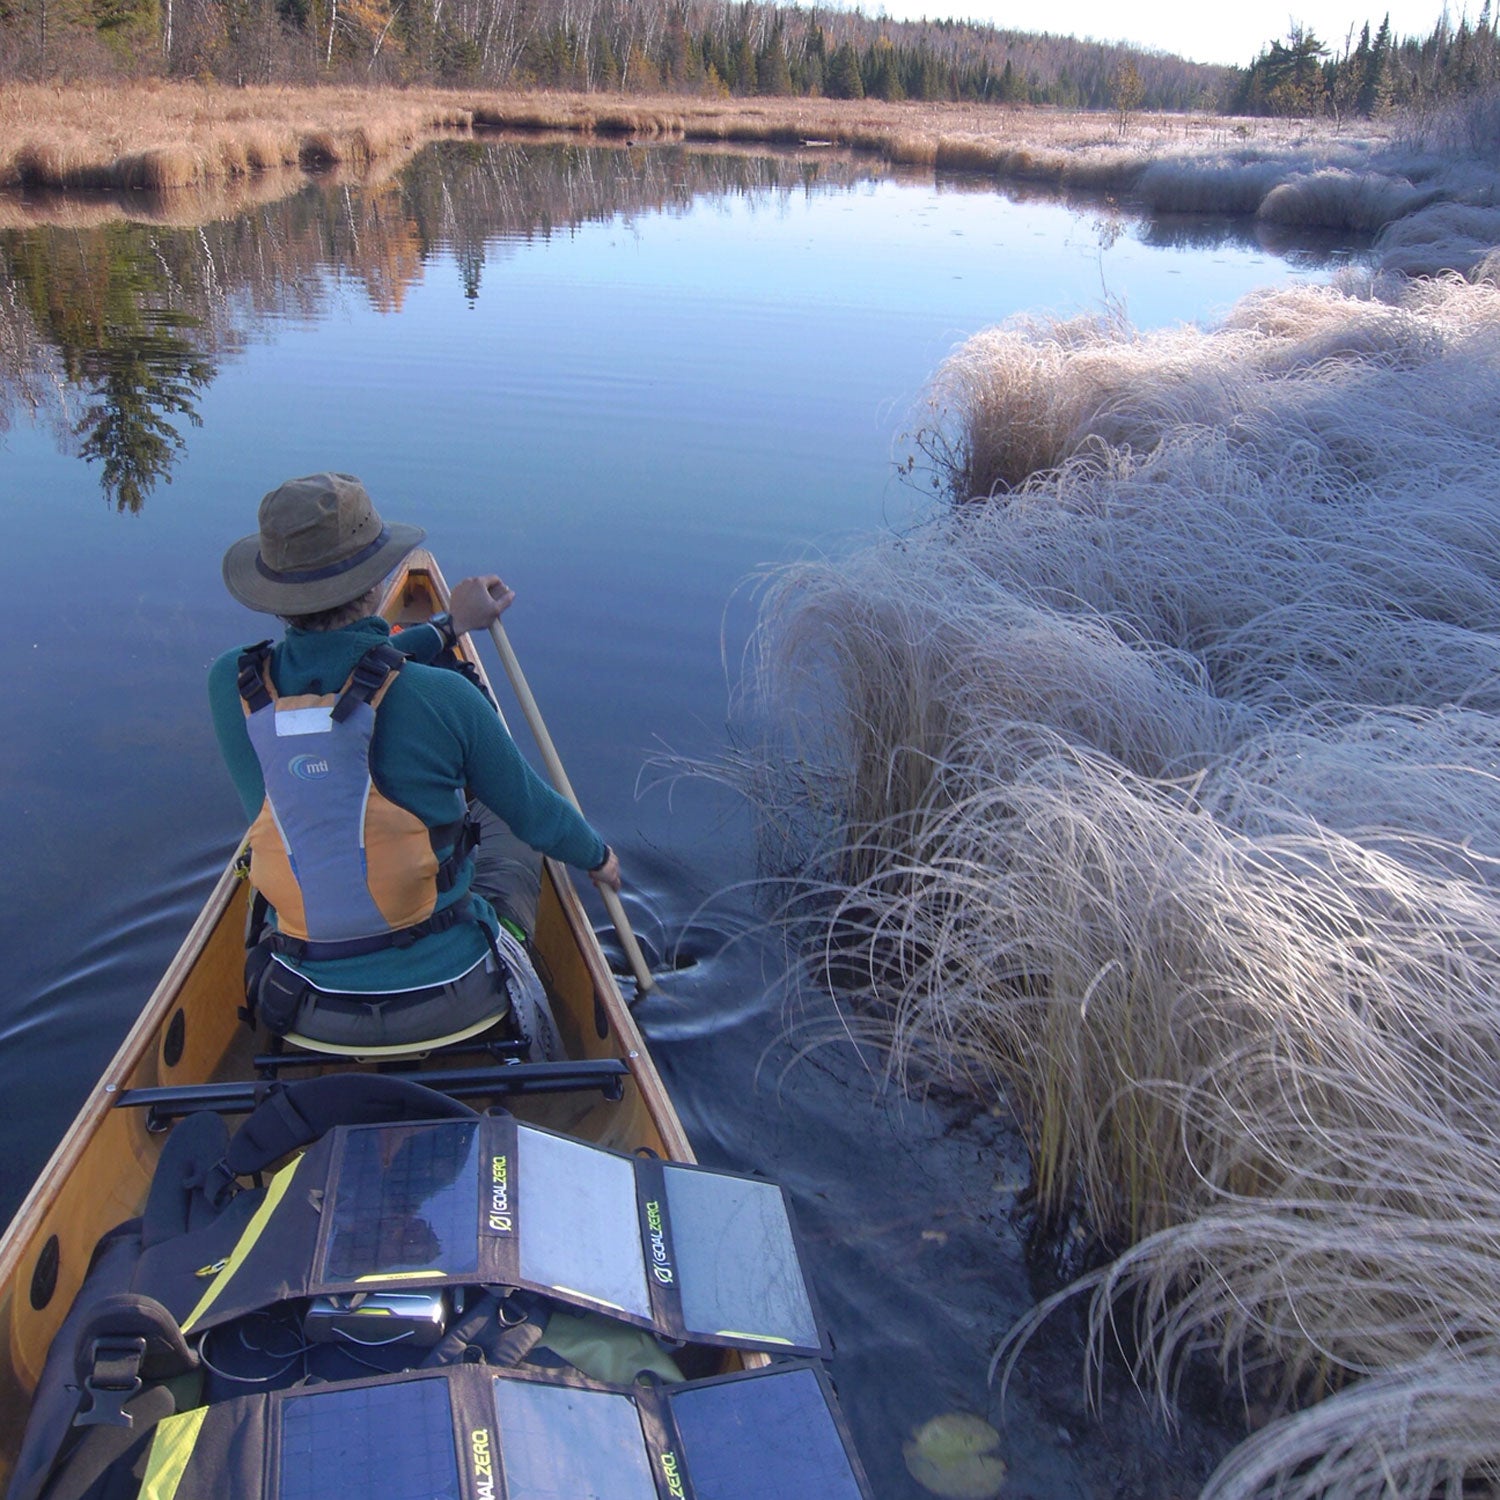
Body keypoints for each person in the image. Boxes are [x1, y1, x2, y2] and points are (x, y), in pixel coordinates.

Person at [208, 471, 621, 1052]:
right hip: (459, 994)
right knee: (506, 821)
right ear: (376, 583)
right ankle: (515, 944)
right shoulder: (444, 697)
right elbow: (538, 815)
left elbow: (341, 678)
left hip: (299, 1001)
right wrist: (599, 856)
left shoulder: (233, 685)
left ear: (277, 594)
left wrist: (447, 627)